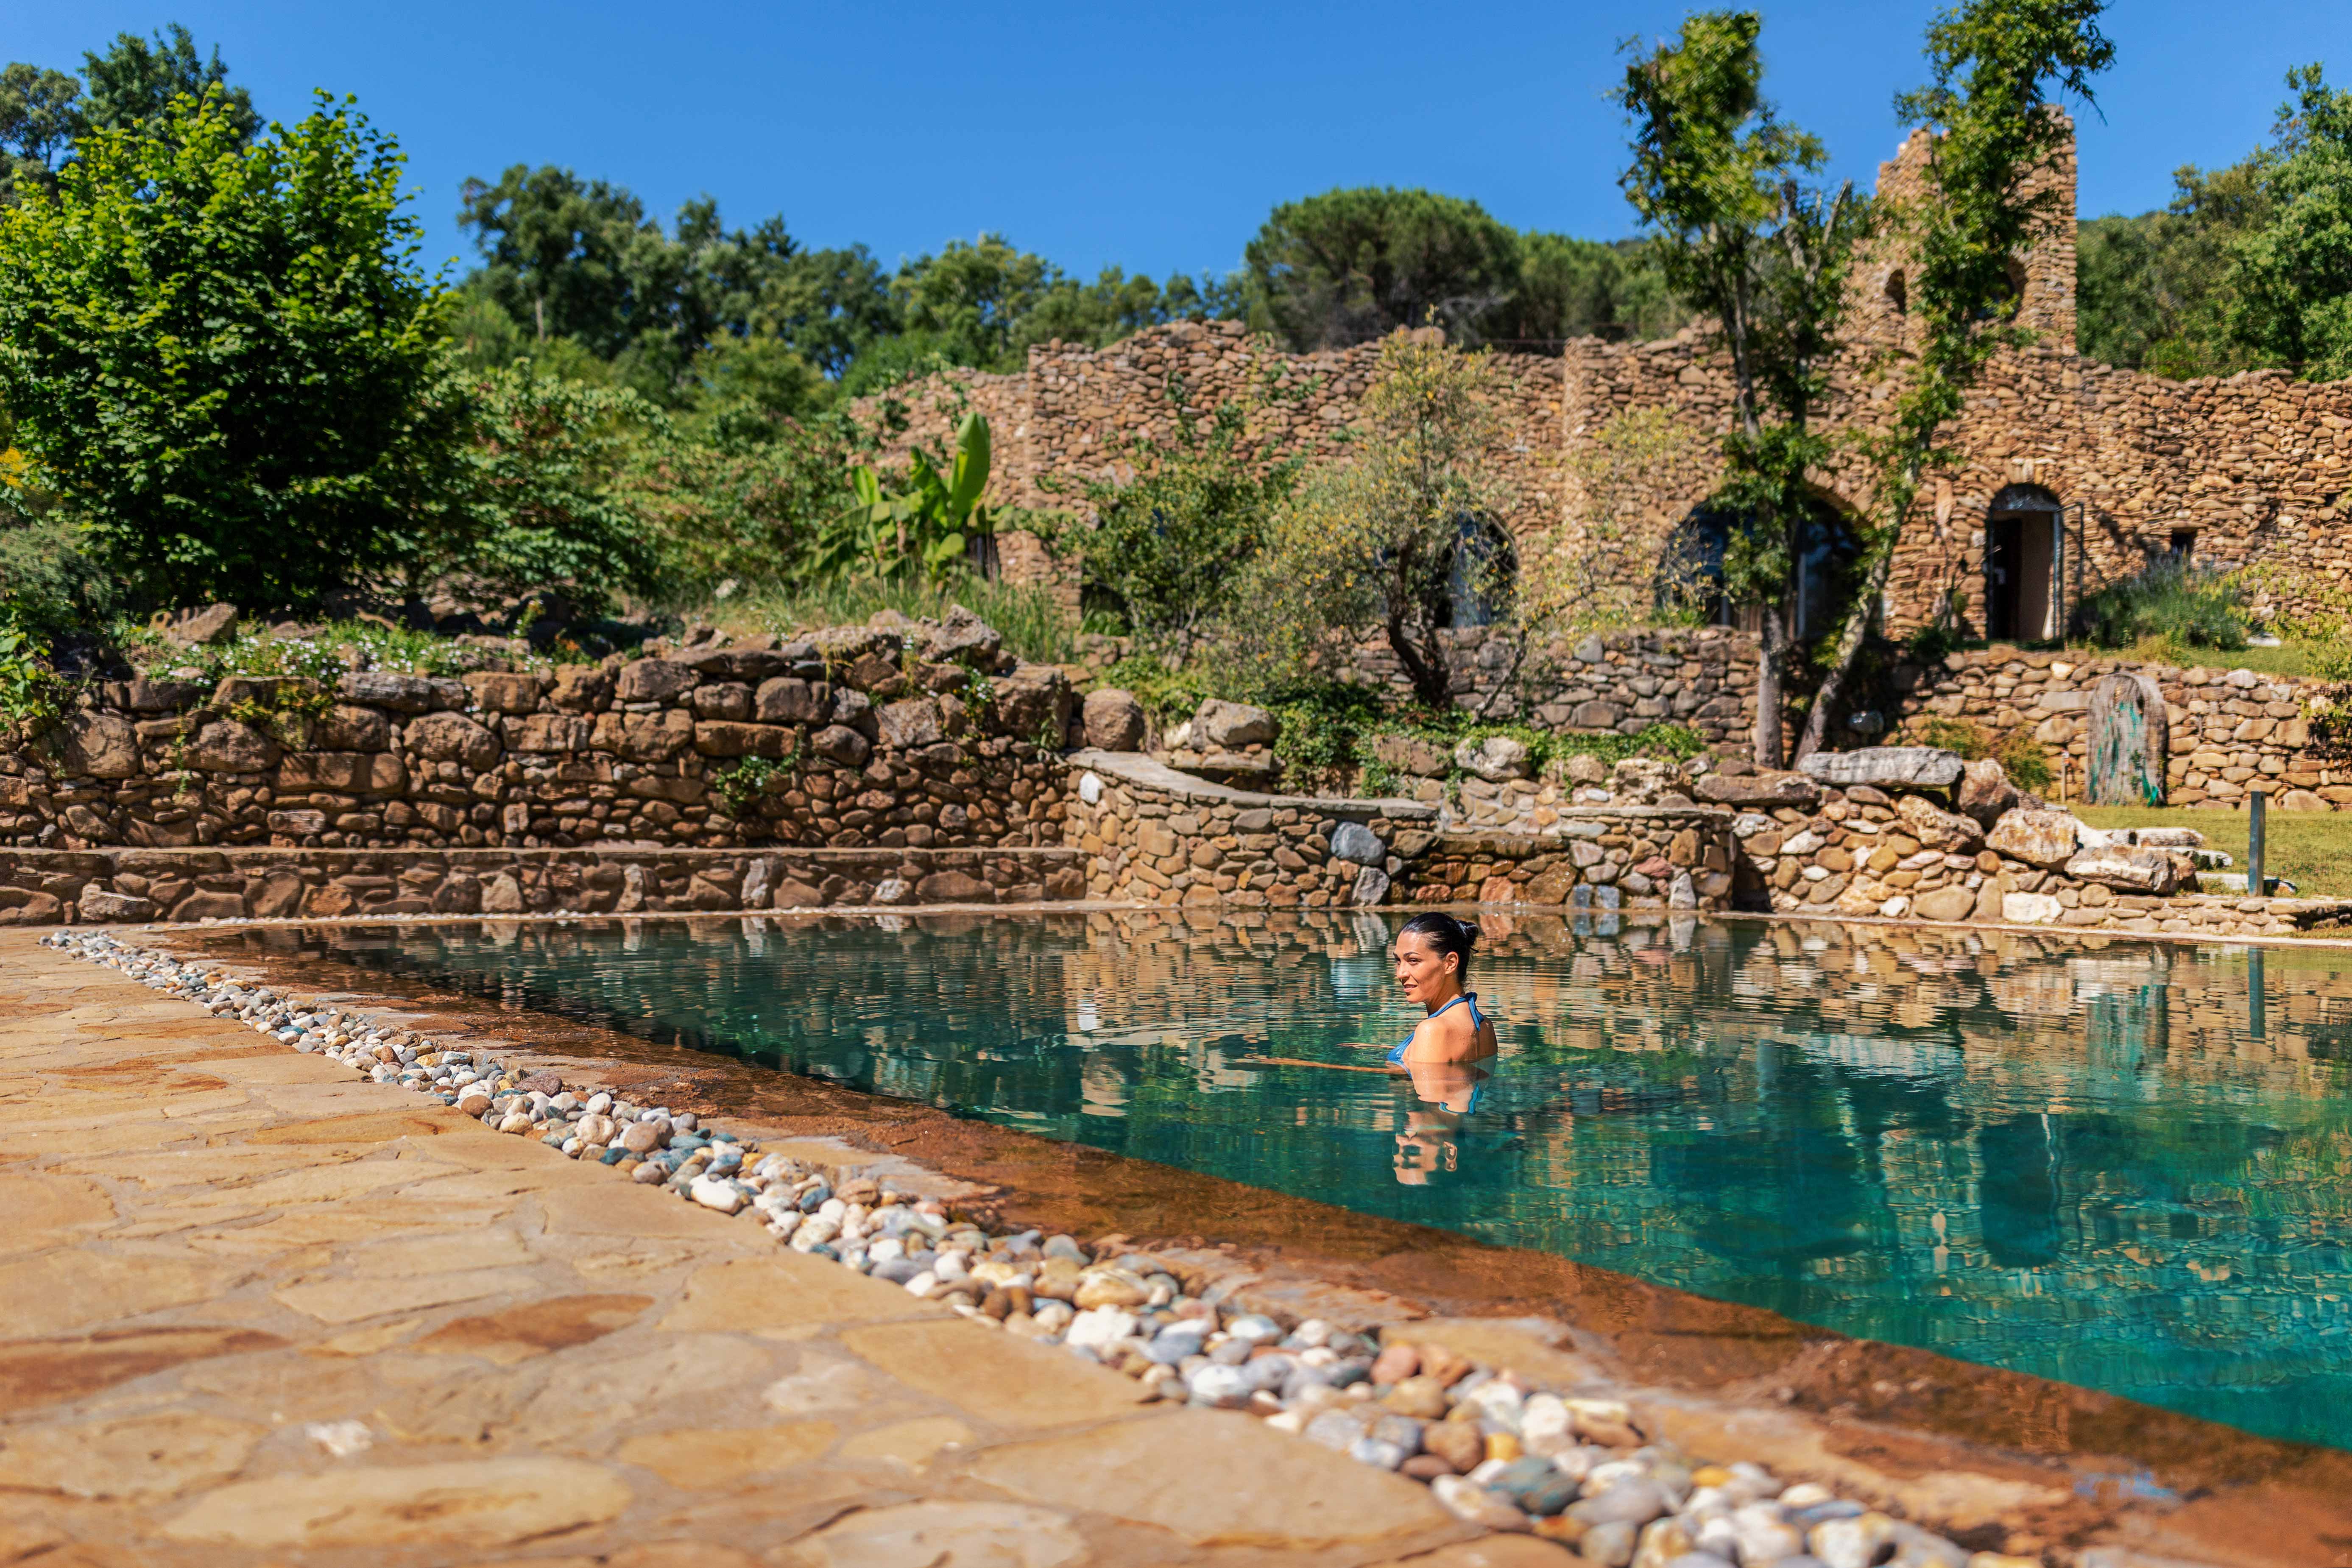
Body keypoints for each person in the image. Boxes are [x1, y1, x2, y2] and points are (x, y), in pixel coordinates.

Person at [1373, 913, 1497, 1069]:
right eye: (1398, 961)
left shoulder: (1432, 1031)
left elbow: (1434, 1090)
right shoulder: (1485, 1026)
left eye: (1413, 961)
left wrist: (1341, 1069)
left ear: (1450, 964)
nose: (1401, 974)